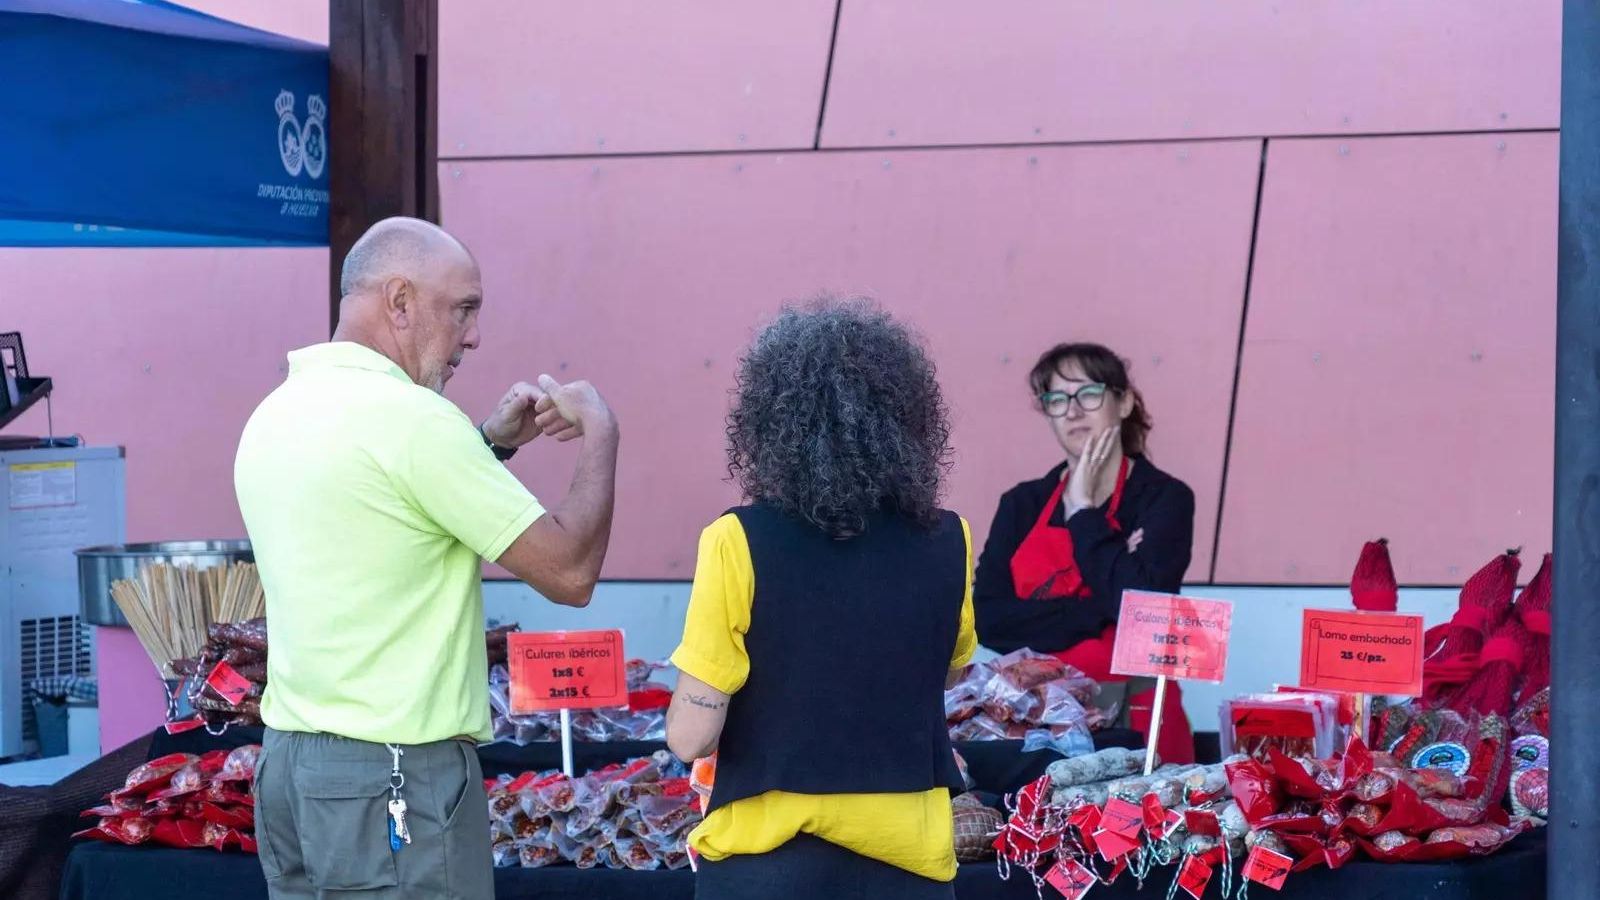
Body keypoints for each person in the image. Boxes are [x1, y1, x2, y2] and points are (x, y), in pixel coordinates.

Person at [234, 217, 619, 899]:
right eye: (463, 308)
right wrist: (601, 434)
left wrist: (486, 444)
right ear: (400, 301)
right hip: (392, 776)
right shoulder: (414, 421)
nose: (474, 335)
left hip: (290, 766)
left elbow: (390, 514)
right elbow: (570, 573)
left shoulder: (276, 412)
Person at [665, 301, 976, 900]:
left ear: (769, 423)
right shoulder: (949, 539)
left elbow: (691, 737)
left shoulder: (738, 540)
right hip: (909, 868)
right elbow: (949, 668)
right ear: (910, 422)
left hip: (767, 867)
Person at [973, 342, 1196, 764]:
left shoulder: (1163, 498)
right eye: (1057, 399)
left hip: (1139, 718)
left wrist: (1082, 513)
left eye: (1088, 394)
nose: (1073, 410)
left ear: (1124, 403)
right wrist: (1099, 612)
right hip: (1037, 721)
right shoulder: (1021, 504)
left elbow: (1145, 609)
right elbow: (990, 619)